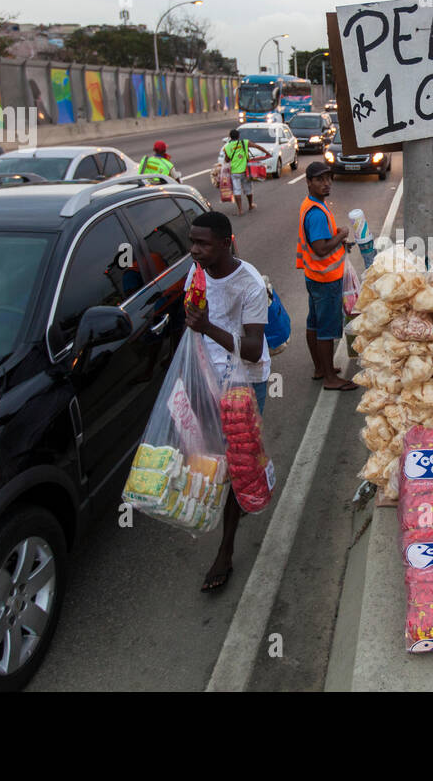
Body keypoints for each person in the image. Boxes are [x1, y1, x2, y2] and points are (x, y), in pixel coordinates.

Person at [182, 210, 272, 592]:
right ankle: (243, 490)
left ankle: (226, 551)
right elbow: (193, 317)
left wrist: (207, 327)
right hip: (208, 375)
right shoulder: (197, 272)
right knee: (209, 454)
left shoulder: (249, 284)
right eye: (192, 242)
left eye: (203, 243)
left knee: (238, 462)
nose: (195, 250)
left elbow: (252, 350)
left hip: (245, 383)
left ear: (225, 242)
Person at [296, 162, 357, 391]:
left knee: (313, 323)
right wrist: (341, 234)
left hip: (314, 275)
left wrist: (336, 237)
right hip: (325, 279)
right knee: (327, 329)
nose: (326, 183)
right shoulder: (316, 213)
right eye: (320, 179)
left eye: (328, 178)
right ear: (309, 182)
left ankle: (320, 367)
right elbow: (320, 248)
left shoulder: (311, 204)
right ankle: (331, 378)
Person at [221, 129, 256, 216]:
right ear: (239, 136)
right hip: (245, 171)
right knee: (248, 189)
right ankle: (250, 205)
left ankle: (240, 210)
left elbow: (226, 159)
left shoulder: (227, 146)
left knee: (237, 190)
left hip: (234, 172)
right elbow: (256, 146)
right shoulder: (243, 143)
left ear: (230, 137)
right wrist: (267, 153)